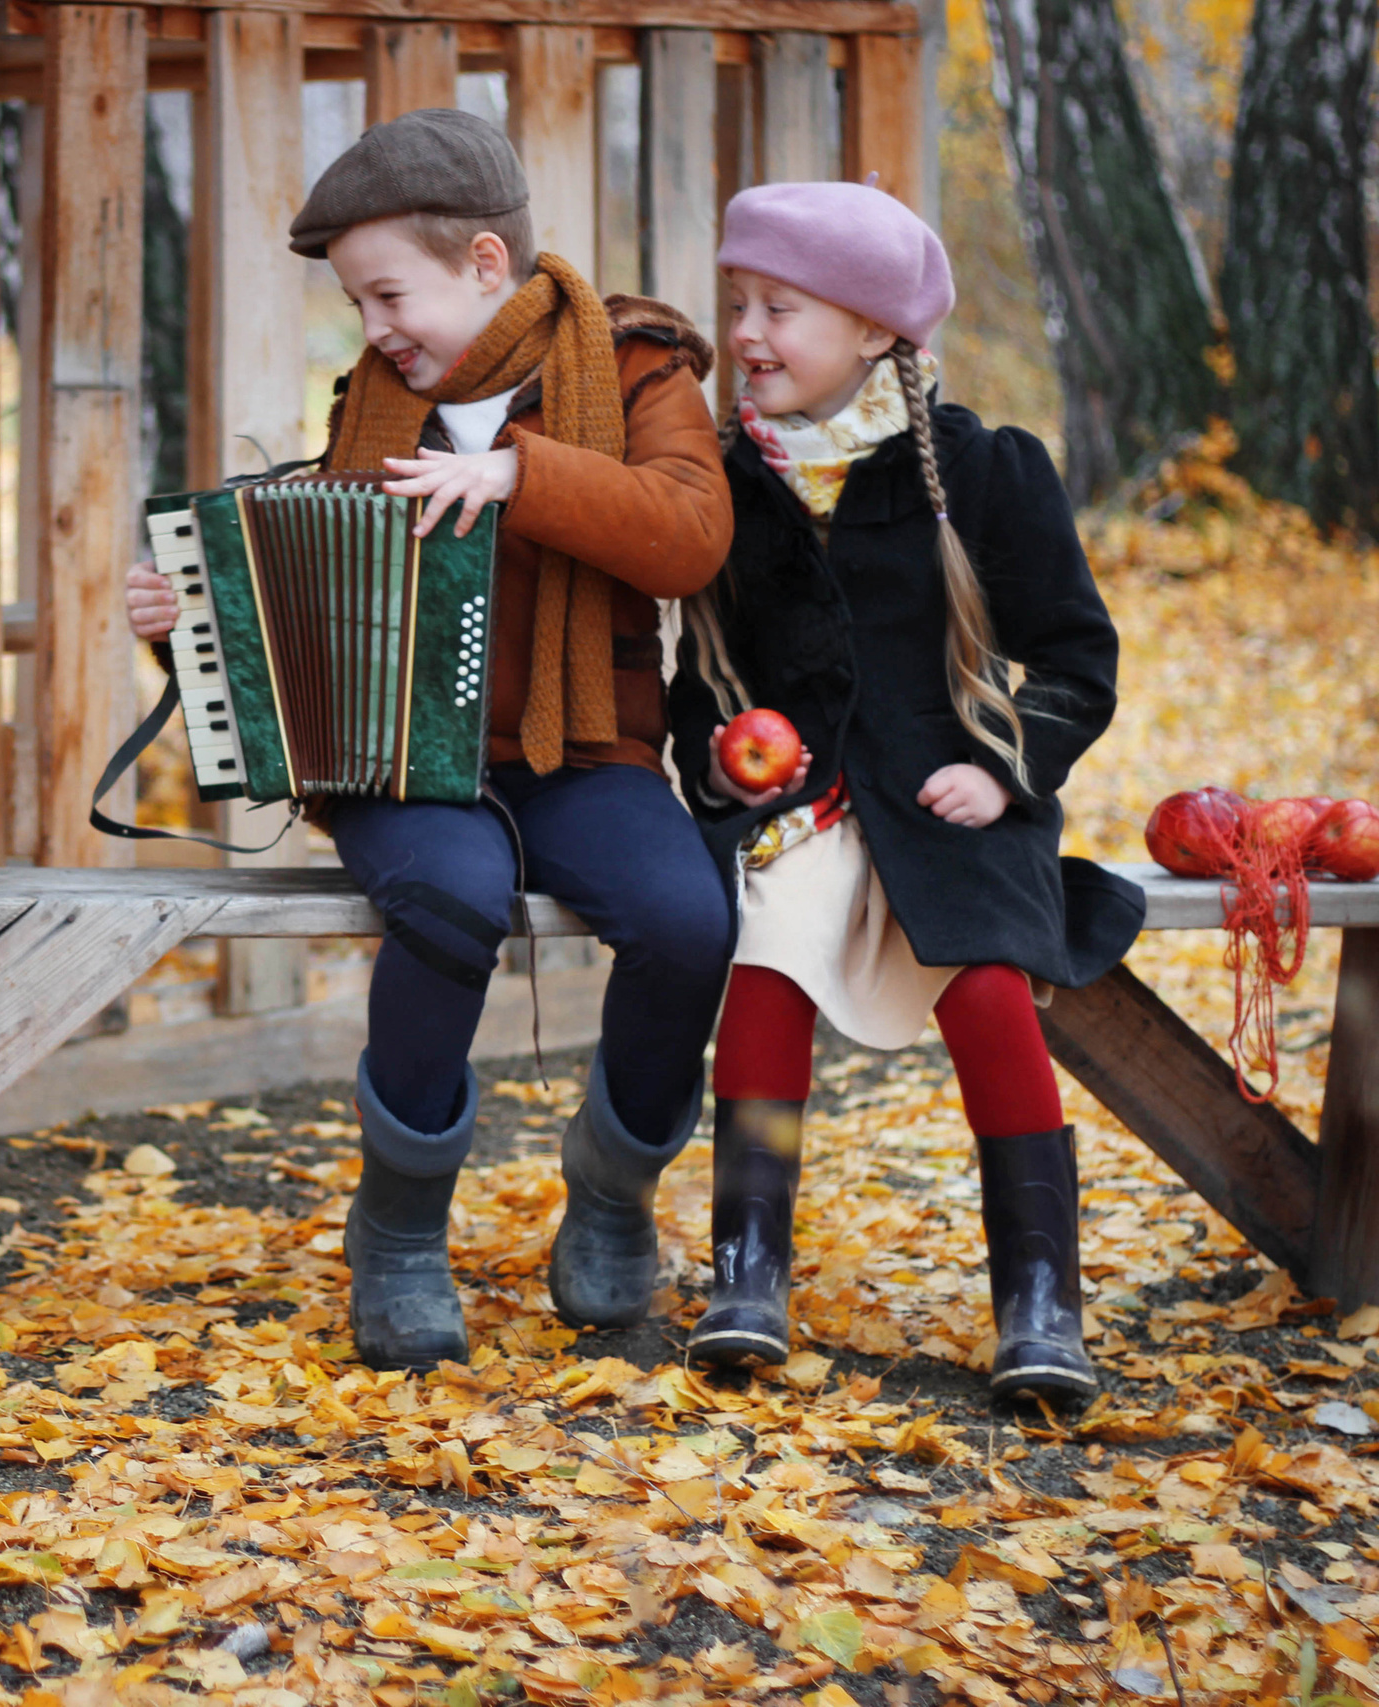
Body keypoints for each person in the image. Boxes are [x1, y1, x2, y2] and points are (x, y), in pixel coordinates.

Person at [125, 110, 736, 1369]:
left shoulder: (635, 372)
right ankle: (399, 1231)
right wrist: (182, 617)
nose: (373, 329)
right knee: (450, 902)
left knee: (686, 923)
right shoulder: (379, 399)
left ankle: (614, 1189)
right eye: (355, 304)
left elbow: (690, 534)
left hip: (583, 755)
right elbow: (307, 616)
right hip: (403, 760)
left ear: (481, 265)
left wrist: (523, 474)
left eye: (387, 292)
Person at [672, 181, 1142, 1404]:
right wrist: (727, 761)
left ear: (876, 333)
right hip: (811, 807)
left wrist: (1000, 768)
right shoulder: (732, 481)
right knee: (767, 964)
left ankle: (1040, 1295)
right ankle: (748, 1262)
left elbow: (1076, 657)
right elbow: (704, 684)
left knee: (988, 986)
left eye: (781, 307)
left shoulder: (980, 471)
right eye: (738, 304)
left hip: (952, 803)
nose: (747, 332)